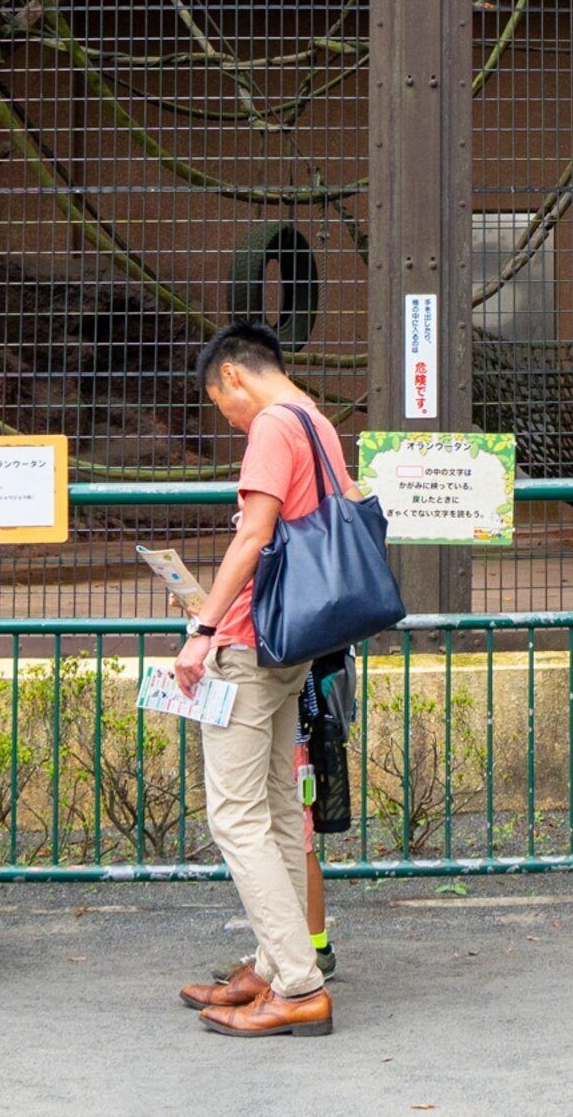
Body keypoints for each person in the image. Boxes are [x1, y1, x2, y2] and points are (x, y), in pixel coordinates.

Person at [167, 320, 348, 1038]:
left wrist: (202, 628)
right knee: (275, 813)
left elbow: (255, 533)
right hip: (293, 644)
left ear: (235, 377)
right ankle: (275, 966)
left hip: (248, 641)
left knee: (235, 816)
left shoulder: (273, 425)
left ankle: (298, 985)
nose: (229, 418)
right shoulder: (318, 420)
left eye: (222, 405)